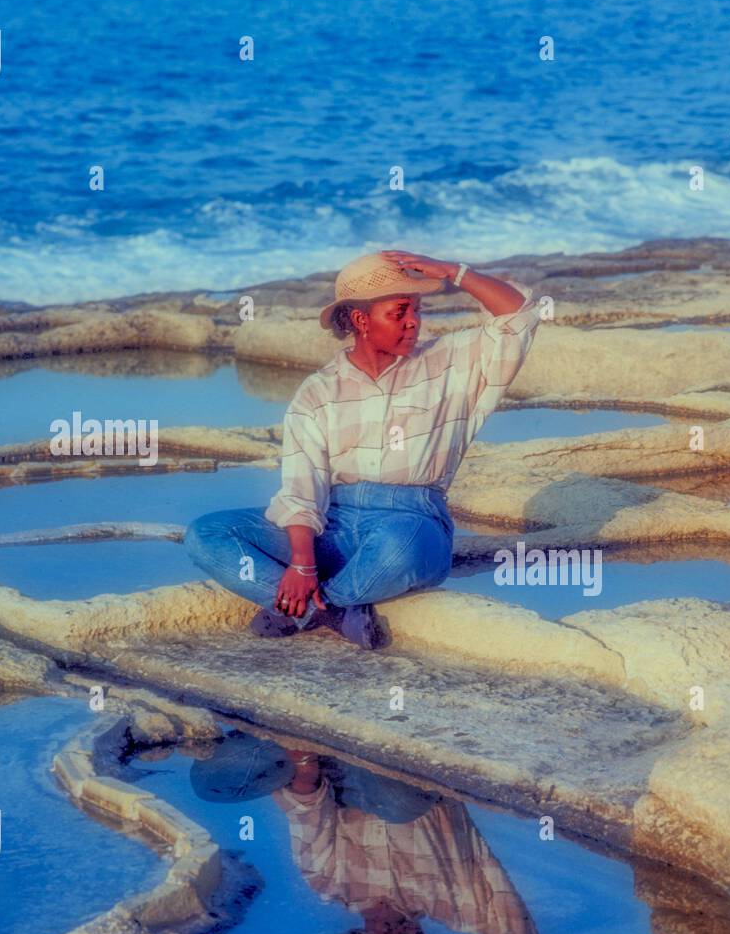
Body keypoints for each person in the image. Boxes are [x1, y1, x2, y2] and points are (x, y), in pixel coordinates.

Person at [183, 250, 542, 649]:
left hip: (412, 520)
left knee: (399, 545)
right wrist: (302, 563)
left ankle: (316, 605)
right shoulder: (318, 393)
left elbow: (520, 315)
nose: (414, 321)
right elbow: (302, 489)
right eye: (400, 311)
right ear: (360, 320)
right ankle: (331, 610)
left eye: (418, 310)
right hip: (332, 528)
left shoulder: (451, 363)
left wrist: (454, 272)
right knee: (207, 533)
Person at [191, 730, 547, 934]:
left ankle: (309, 724)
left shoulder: (330, 884)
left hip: (331, 768)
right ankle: (353, 729)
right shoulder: (460, 905)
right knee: (399, 806)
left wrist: (302, 759)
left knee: (212, 782)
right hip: (405, 776)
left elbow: (307, 813)